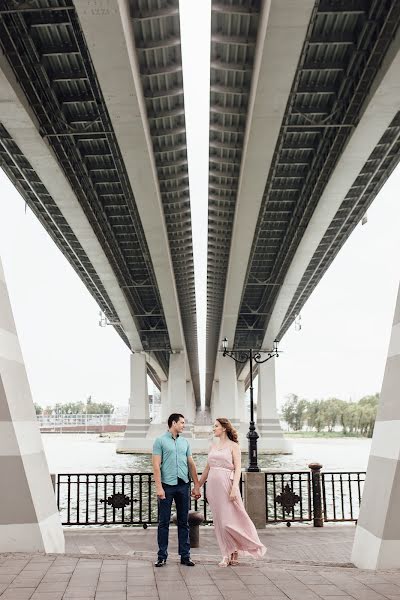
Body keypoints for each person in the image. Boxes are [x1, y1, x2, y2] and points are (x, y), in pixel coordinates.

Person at [194, 417, 267, 566]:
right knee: (220, 522)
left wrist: (234, 487)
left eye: (216, 426)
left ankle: (242, 546)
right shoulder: (212, 446)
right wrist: (198, 485)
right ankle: (227, 553)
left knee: (230, 521)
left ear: (224, 428)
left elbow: (238, 468)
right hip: (213, 488)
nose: (213, 429)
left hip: (227, 486)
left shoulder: (234, 446)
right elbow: (207, 468)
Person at [152, 413, 201, 567]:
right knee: (163, 522)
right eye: (181, 423)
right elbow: (156, 466)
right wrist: (159, 487)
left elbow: (191, 464)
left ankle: (185, 556)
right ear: (173, 423)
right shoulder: (160, 441)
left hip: (183, 485)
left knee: (184, 522)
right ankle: (162, 556)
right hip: (166, 486)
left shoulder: (185, 442)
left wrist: (196, 485)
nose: (183, 425)